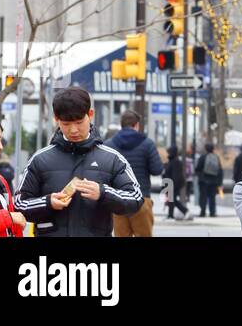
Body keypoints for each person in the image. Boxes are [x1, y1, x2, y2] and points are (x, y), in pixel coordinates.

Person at [14, 86, 144, 237]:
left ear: (90, 114)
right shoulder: (40, 159)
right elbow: (18, 204)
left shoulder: (113, 158)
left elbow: (136, 198)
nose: (73, 130)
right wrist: (48, 202)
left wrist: (103, 193)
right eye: (66, 124)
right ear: (56, 119)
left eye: (79, 122)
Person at [109, 108, 163, 237]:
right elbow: (157, 170)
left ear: (121, 125)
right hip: (142, 198)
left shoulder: (110, 145)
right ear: (136, 125)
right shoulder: (147, 144)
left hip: (118, 200)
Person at [195, 142, 222, 217]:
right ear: (213, 149)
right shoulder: (216, 157)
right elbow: (220, 170)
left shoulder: (202, 157)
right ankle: (212, 212)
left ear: (206, 149)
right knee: (212, 197)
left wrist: (199, 175)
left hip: (204, 181)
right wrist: (219, 182)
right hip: (214, 181)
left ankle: (202, 212)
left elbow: (197, 169)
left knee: (203, 197)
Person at [163, 146, 191, 220]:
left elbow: (175, 176)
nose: (167, 154)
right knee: (171, 200)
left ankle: (185, 211)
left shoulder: (175, 162)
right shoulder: (172, 161)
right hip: (171, 184)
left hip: (174, 184)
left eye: (168, 152)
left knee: (173, 200)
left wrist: (172, 186)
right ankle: (170, 215)